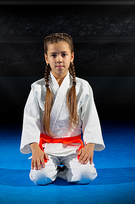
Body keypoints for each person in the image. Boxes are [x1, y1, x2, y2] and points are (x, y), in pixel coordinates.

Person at [20, 33, 105, 185]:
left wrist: (90, 145)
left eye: (63, 54)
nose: (59, 59)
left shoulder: (83, 87)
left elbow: (90, 118)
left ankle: (60, 171)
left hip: (73, 147)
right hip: (47, 146)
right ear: (46, 58)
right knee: (40, 178)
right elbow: (30, 120)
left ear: (71, 57)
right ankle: (58, 171)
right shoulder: (37, 88)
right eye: (53, 55)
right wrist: (35, 148)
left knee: (87, 176)